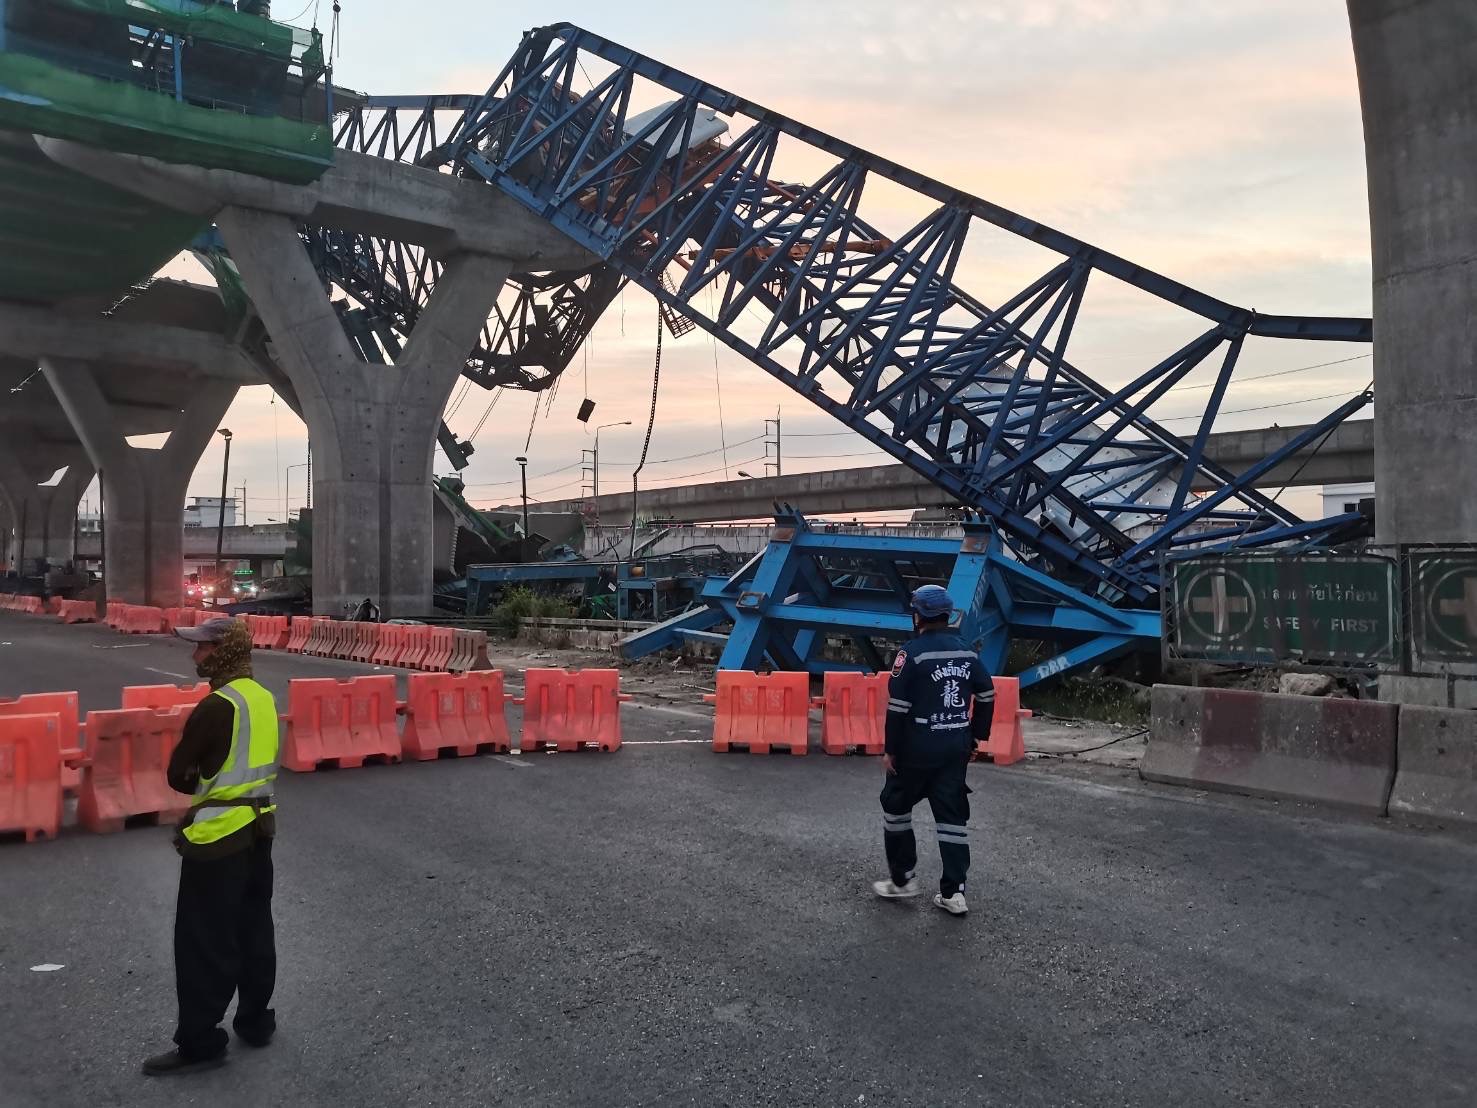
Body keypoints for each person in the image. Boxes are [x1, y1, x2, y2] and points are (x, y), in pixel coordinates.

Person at [142, 618, 281, 1077]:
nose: (196, 655)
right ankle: (256, 1021)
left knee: (203, 941)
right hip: (259, 830)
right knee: (253, 928)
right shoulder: (262, 697)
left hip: (218, 837)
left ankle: (201, 1042)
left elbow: (179, 775)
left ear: (224, 651)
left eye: (203, 647)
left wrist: (204, 784)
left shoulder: (217, 706)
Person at [871, 585, 994, 916]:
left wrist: (890, 750)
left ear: (918, 616)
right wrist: (976, 736)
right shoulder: (967, 652)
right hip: (955, 747)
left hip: (916, 748)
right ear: (947, 615)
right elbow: (986, 693)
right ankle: (954, 893)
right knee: (952, 818)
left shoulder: (911, 654)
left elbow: (898, 708)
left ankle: (902, 879)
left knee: (896, 807)